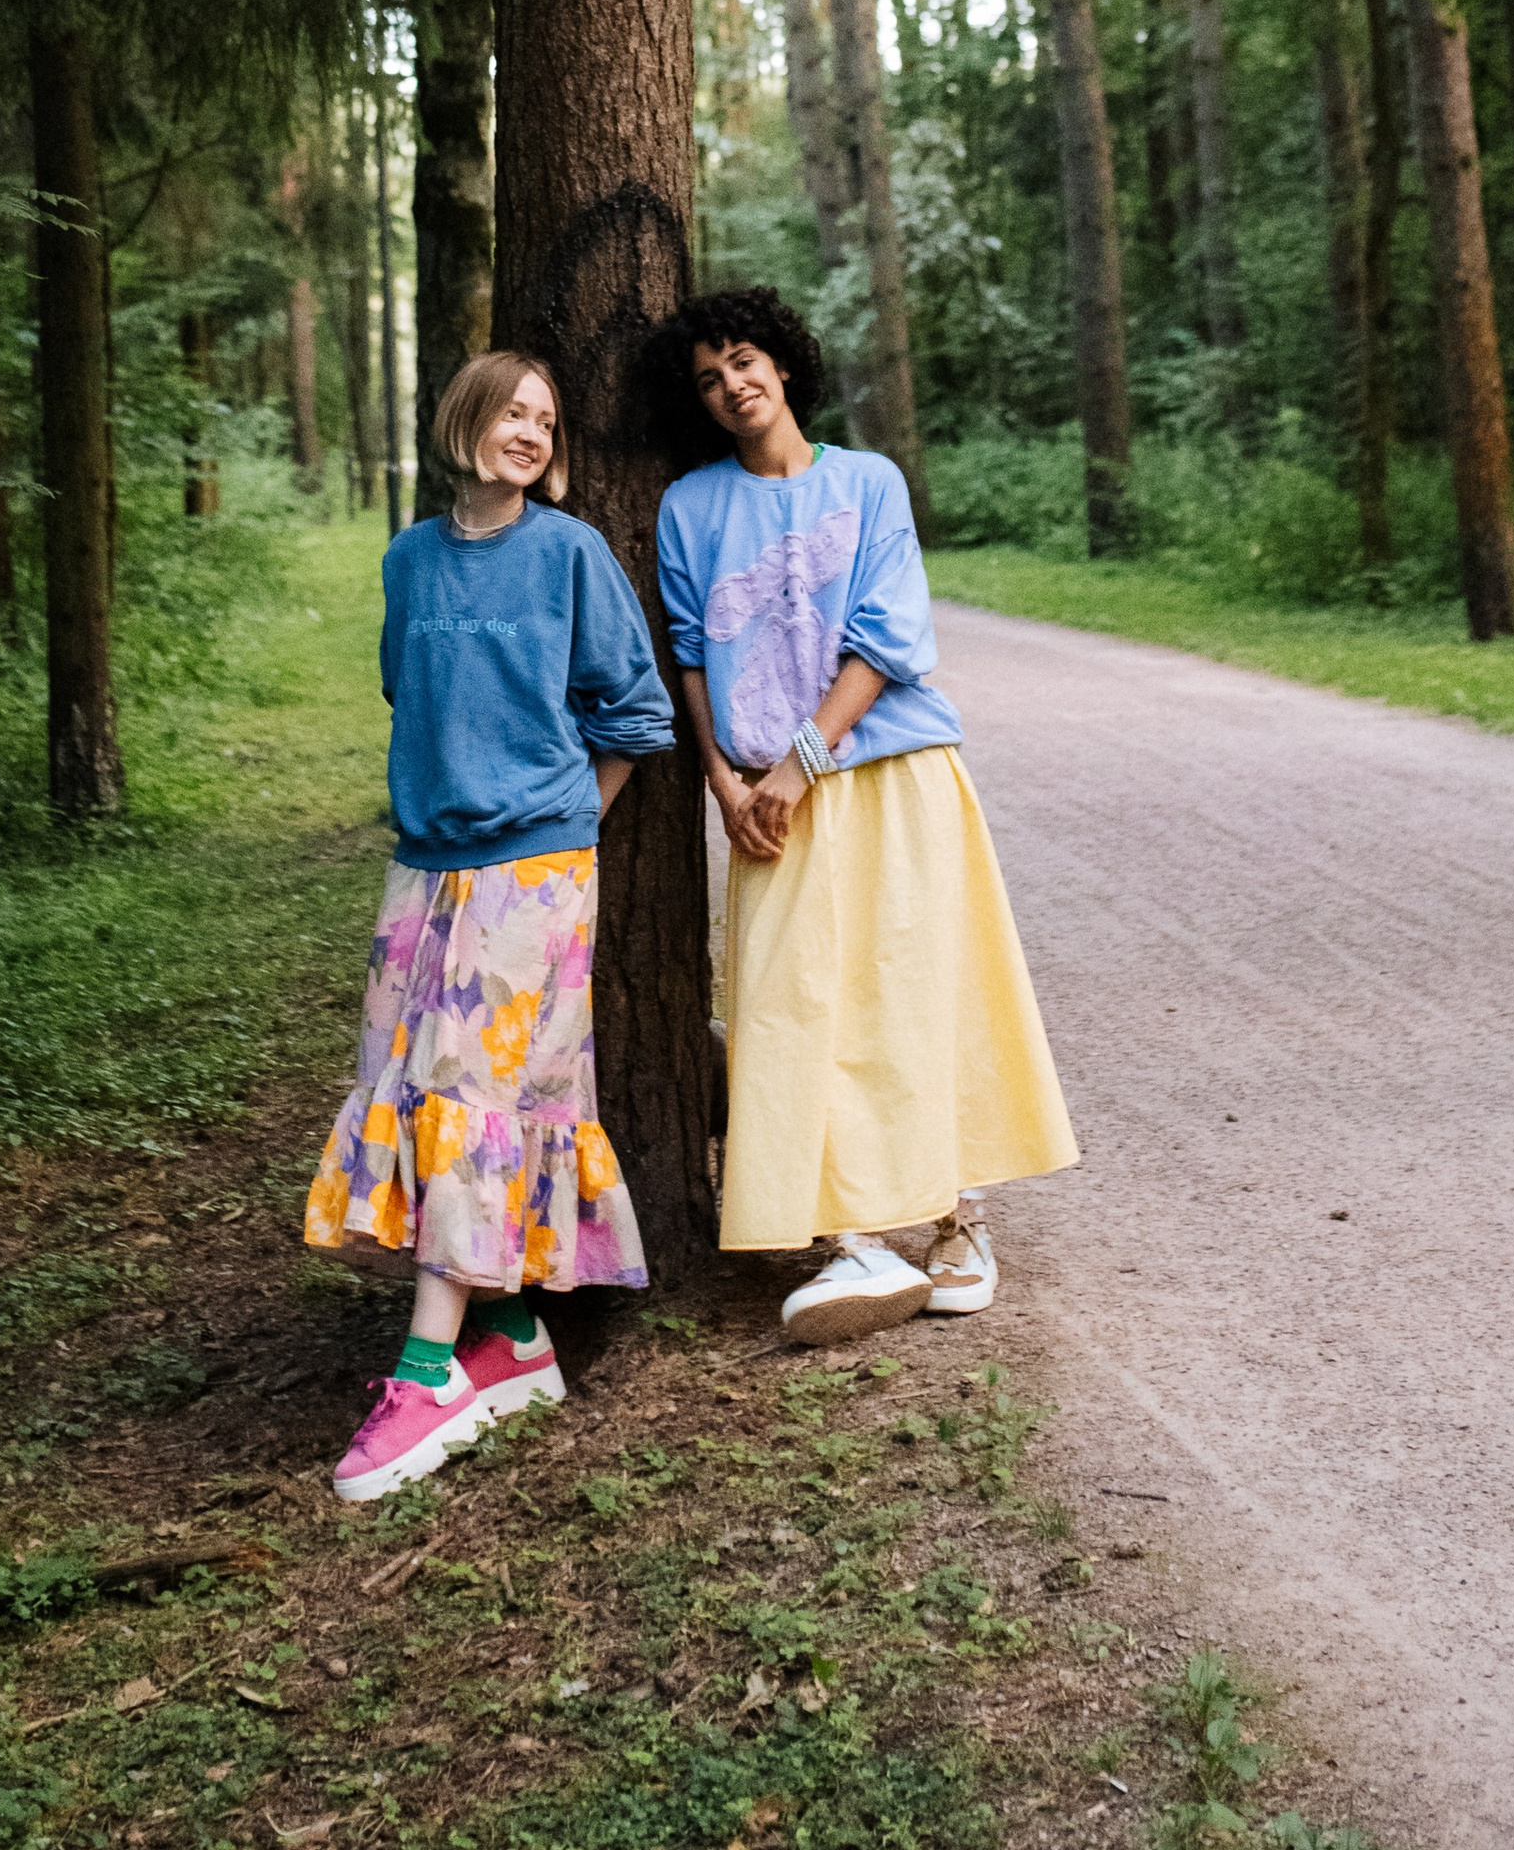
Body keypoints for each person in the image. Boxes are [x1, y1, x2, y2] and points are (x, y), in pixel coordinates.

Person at [650, 283, 1077, 1346]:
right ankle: (848, 1239)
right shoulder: (688, 505)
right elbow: (690, 654)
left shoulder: (868, 480)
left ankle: (957, 1224)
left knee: (920, 985)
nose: (730, 383)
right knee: (789, 1002)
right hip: (763, 800)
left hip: (891, 767)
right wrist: (723, 782)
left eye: (743, 358)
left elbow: (887, 634)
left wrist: (797, 763)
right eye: (707, 377)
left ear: (785, 364)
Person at [305, 348, 673, 1501]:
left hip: (534, 869)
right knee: (428, 1085)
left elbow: (638, 709)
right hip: (423, 865)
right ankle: (510, 1332)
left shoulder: (567, 552)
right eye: (510, 410)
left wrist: (565, 830)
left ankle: (426, 1373)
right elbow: (406, 695)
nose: (527, 430)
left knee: (470, 1092)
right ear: (464, 418)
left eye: (544, 418)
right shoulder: (409, 559)